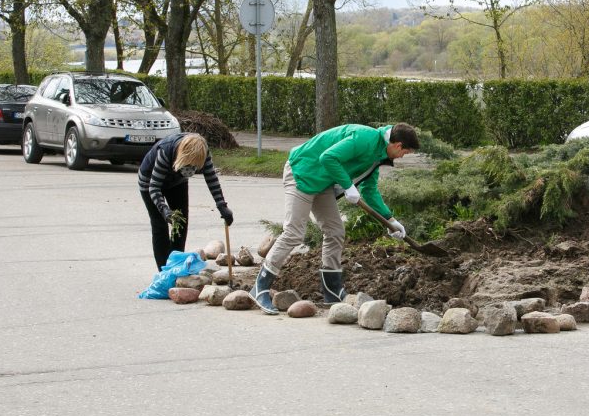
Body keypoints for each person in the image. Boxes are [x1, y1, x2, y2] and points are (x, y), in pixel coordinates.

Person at [250, 123, 420, 314]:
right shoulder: (365, 138)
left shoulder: (378, 155)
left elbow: (369, 190)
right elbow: (328, 157)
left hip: (323, 182)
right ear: (397, 145)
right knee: (294, 233)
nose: (402, 156)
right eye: (405, 152)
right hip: (303, 172)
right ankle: (261, 286)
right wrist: (347, 186)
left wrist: (391, 220)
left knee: (335, 231)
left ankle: (331, 290)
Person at [138, 132, 234, 270]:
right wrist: (164, 210)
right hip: (150, 182)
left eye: (195, 166)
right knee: (160, 226)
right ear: (183, 157)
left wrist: (222, 205)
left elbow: (211, 178)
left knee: (181, 222)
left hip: (177, 182)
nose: (193, 169)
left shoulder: (202, 151)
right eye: (189, 165)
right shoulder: (165, 151)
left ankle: (176, 267)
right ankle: (163, 272)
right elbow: (154, 187)